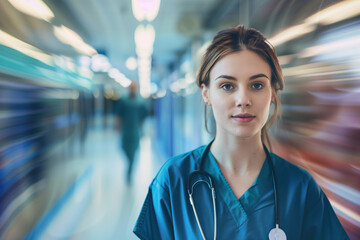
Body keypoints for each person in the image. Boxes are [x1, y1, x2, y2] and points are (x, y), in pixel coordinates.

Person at [133, 25, 349, 239]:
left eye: (256, 85)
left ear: (273, 92)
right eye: (227, 86)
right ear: (205, 93)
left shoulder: (300, 189)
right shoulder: (173, 180)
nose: (243, 100)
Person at [116, 82, 147, 184]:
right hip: (125, 131)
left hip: (135, 132)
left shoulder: (140, 103)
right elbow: (119, 116)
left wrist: (142, 130)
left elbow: (142, 119)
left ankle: (129, 170)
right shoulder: (123, 102)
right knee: (124, 148)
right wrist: (117, 127)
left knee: (133, 152)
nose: (132, 90)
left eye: (134, 88)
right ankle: (129, 162)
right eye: (131, 88)